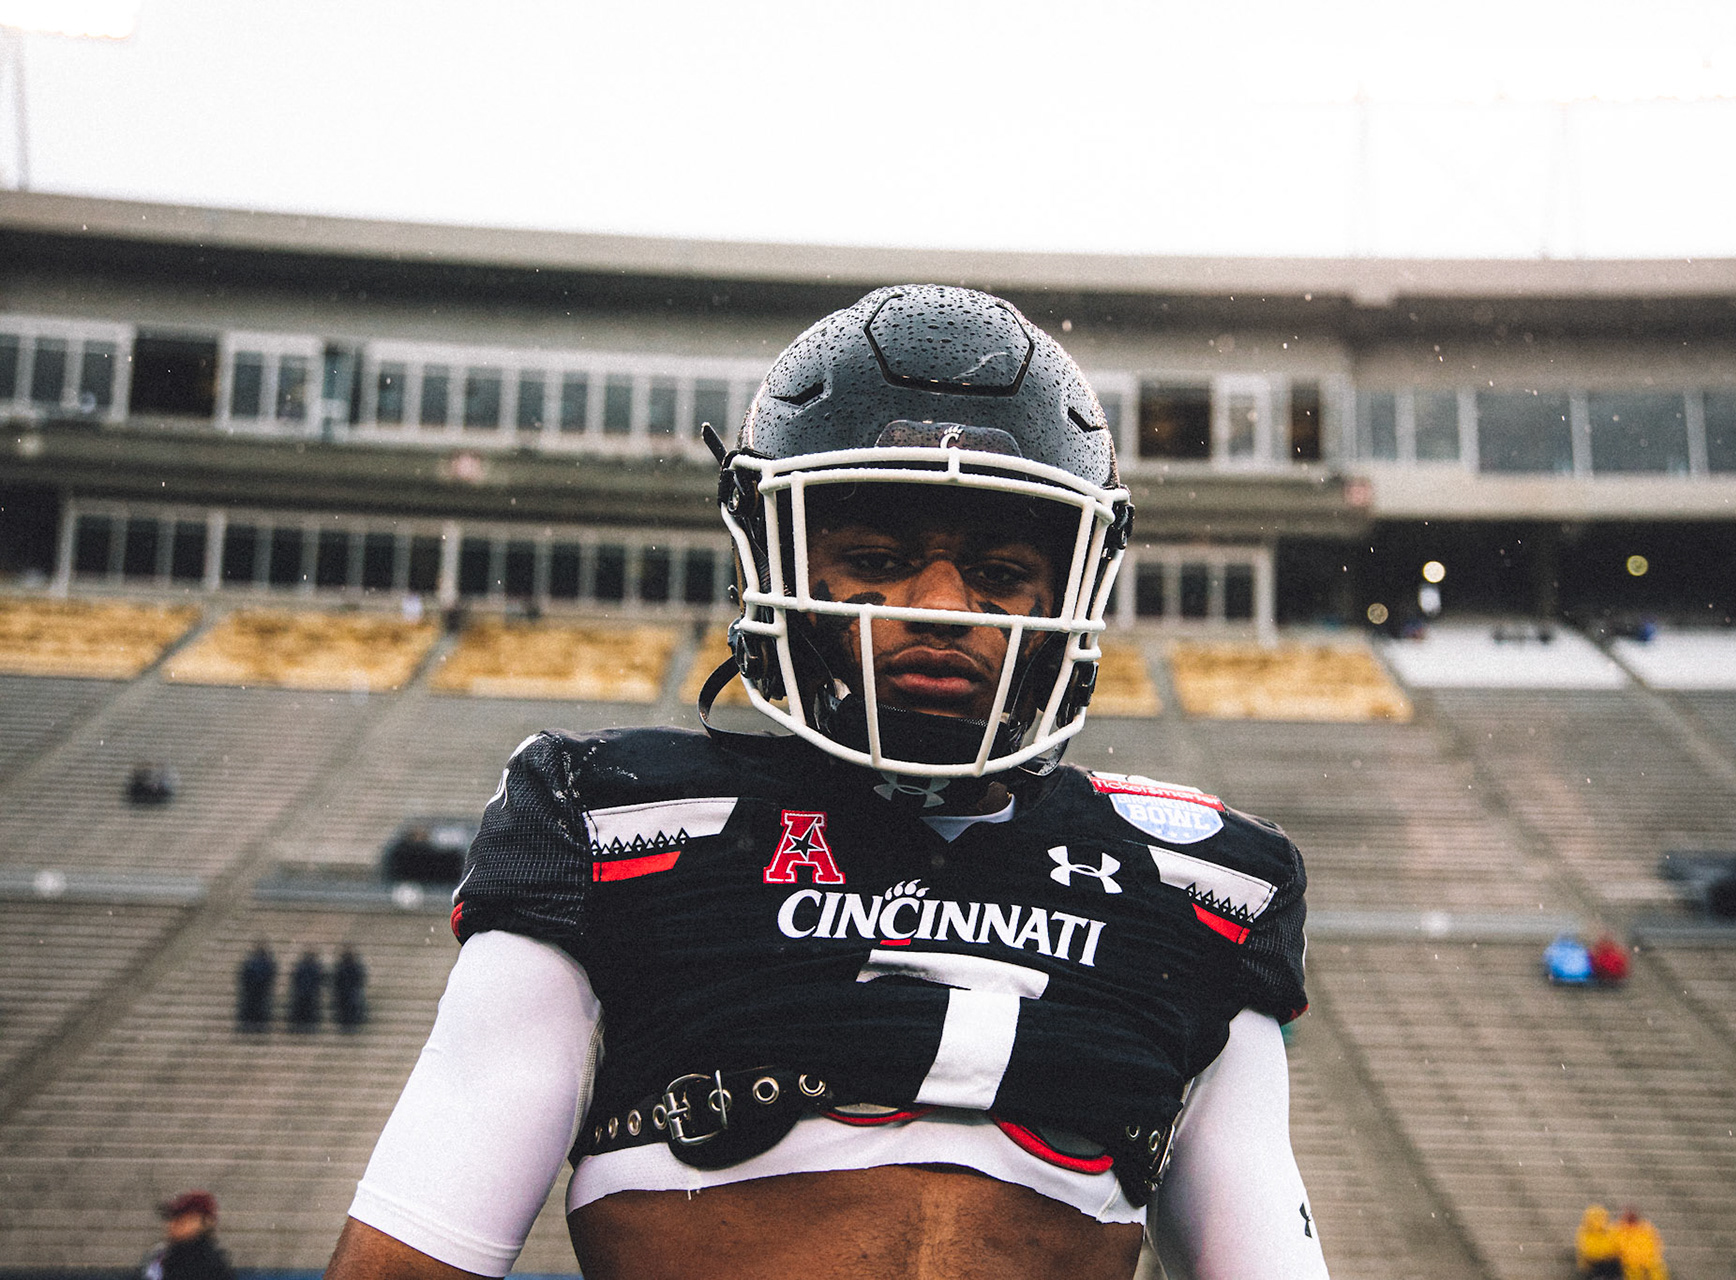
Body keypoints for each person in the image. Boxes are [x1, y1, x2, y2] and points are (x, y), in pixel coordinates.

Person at [323, 285, 1326, 1280]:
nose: (941, 608)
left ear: (1071, 586)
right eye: (878, 558)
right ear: (777, 564)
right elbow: (414, 1258)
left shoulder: (1204, 885)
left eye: (1001, 573)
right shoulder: (611, 818)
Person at [140, 1190, 235, 1280]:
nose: (173, 1224)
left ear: (205, 1223)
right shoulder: (163, 1255)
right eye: (172, 1217)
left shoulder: (206, 1264)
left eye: (183, 1219)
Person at [235, 942, 276, 1031]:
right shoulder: (264, 963)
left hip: (256, 990)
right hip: (258, 990)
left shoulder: (252, 963)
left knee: (256, 1007)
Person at [333, 946, 369, 1029]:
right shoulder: (344, 967)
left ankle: (350, 1023)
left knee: (349, 1007)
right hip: (347, 992)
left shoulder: (344, 966)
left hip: (349, 991)